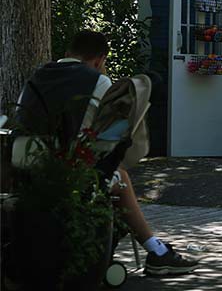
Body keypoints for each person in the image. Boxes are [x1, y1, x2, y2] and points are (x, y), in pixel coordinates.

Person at [12, 30, 200, 276]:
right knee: (120, 177)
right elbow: (106, 135)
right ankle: (156, 251)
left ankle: (154, 250)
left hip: (22, 168)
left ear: (68, 52)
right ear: (100, 59)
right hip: (67, 172)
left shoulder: (36, 77)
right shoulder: (97, 81)